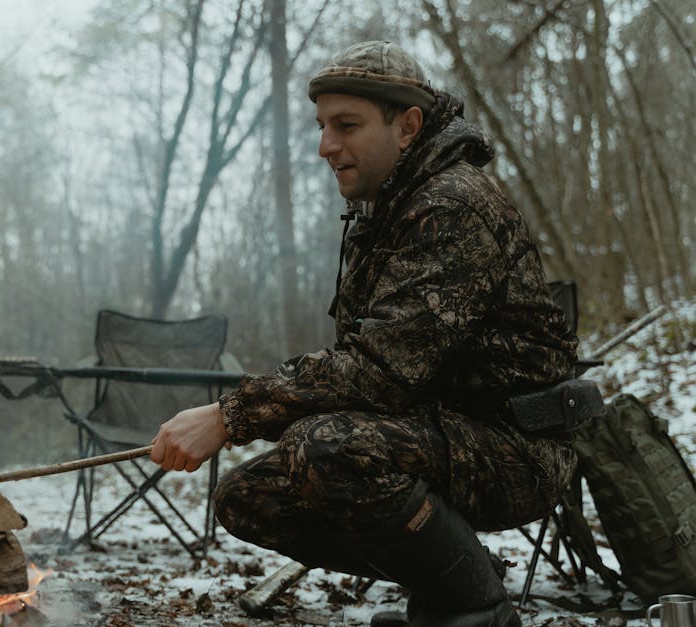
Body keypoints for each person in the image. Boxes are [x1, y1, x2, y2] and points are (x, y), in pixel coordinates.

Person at [151, 41, 581, 627]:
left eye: (346, 126)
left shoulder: (452, 206)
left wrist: (231, 416)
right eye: (323, 126)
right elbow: (375, 372)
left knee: (325, 447)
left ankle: (476, 609)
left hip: (518, 445)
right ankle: (453, 577)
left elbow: (378, 370)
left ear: (407, 127)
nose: (326, 146)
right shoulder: (382, 211)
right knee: (250, 498)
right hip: (443, 432)